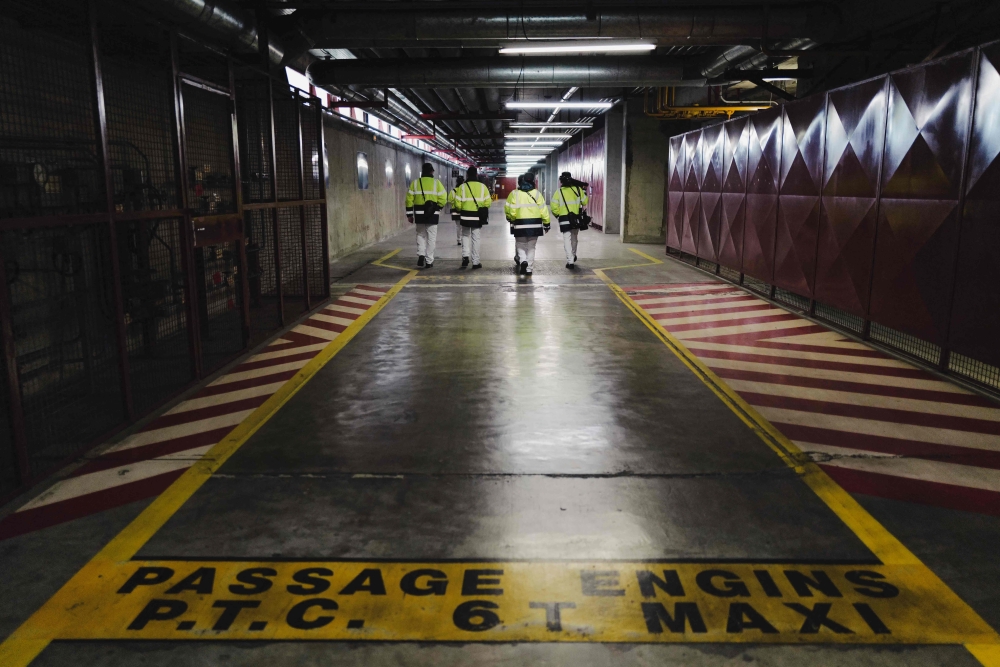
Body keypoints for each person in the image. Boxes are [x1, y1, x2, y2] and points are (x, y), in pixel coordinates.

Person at [505, 171, 549, 276]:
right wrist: (547, 223)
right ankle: (529, 268)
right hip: (535, 223)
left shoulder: (515, 193)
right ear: (533, 181)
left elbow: (510, 209)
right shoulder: (537, 193)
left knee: (521, 244)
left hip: (520, 223)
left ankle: (523, 261)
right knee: (532, 246)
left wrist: (511, 218)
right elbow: (543, 210)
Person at [405, 163, 448, 268]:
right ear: (431, 171)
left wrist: (409, 214)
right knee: (431, 237)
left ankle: (421, 255)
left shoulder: (415, 183)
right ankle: (429, 261)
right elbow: (443, 197)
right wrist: (438, 207)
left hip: (419, 213)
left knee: (420, 234)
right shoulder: (436, 183)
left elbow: (409, 199)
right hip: (432, 214)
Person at [549, 171, 589, 269]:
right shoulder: (578, 189)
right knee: (574, 238)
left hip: (564, 218)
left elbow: (553, 206)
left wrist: (558, 215)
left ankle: (570, 261)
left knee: (567, 239)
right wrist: (583, 191)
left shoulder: (559, 191)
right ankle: (574, 255)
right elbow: (585, 202)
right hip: (576, 218)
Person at [453, 166, 491, 269]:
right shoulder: (482, 187)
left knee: (465, 235)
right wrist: (481, 206)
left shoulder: (462, 187)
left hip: (465, 215)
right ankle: (475, 262)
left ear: (467, 175)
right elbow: (488, 202)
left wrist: (462, 208)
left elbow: (457, 203)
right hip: (477, 216)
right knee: (476, 238)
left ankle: (465, 256)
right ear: (476, 174)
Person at [448, 175, 465, 246]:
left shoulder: (453, 191)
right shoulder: (464, 191)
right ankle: (464, 239)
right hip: (464, 210)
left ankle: (459, 240)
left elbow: (449, 200)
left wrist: (455, 203)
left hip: (455, 211)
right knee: (464, 226)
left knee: (458, 226)